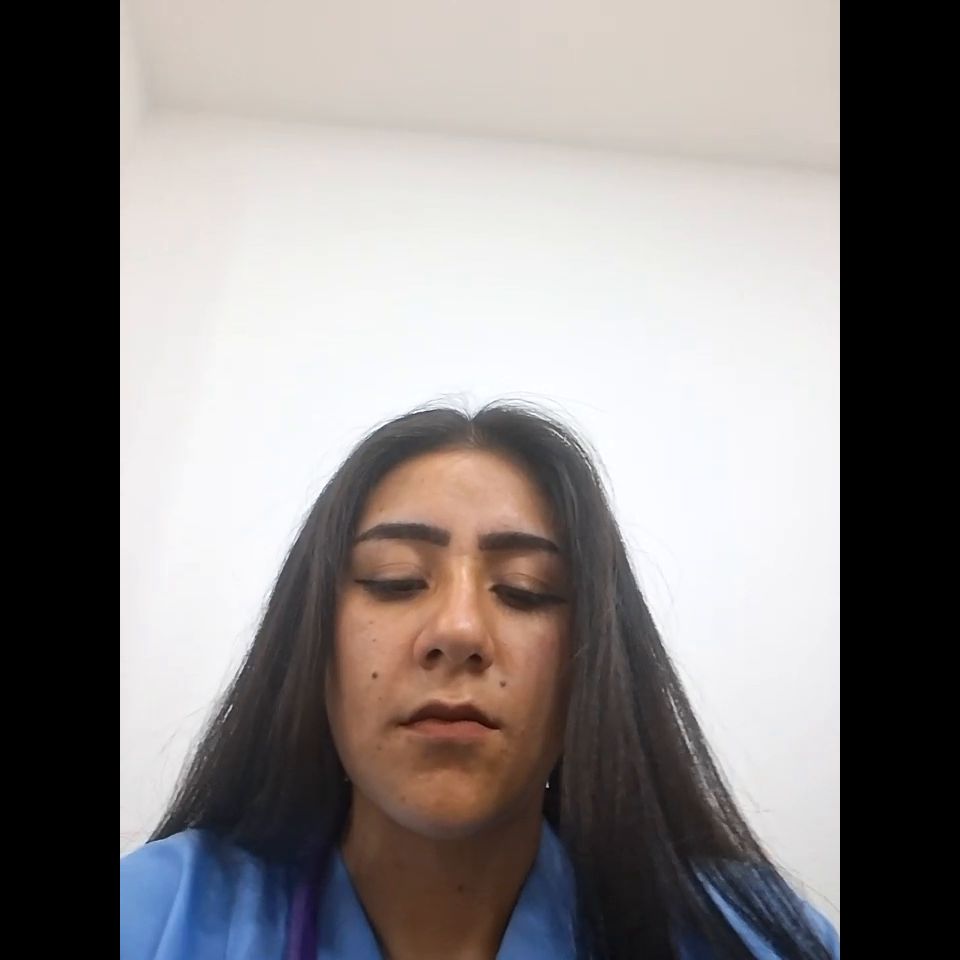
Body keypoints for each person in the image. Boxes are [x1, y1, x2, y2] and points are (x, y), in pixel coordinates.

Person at [120, 402, 839, 959]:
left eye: (526, 590)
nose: (460, 630)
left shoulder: (752, 940)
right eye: (396, 580)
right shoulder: (152, 919)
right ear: (311, 641)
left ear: (590, 662)